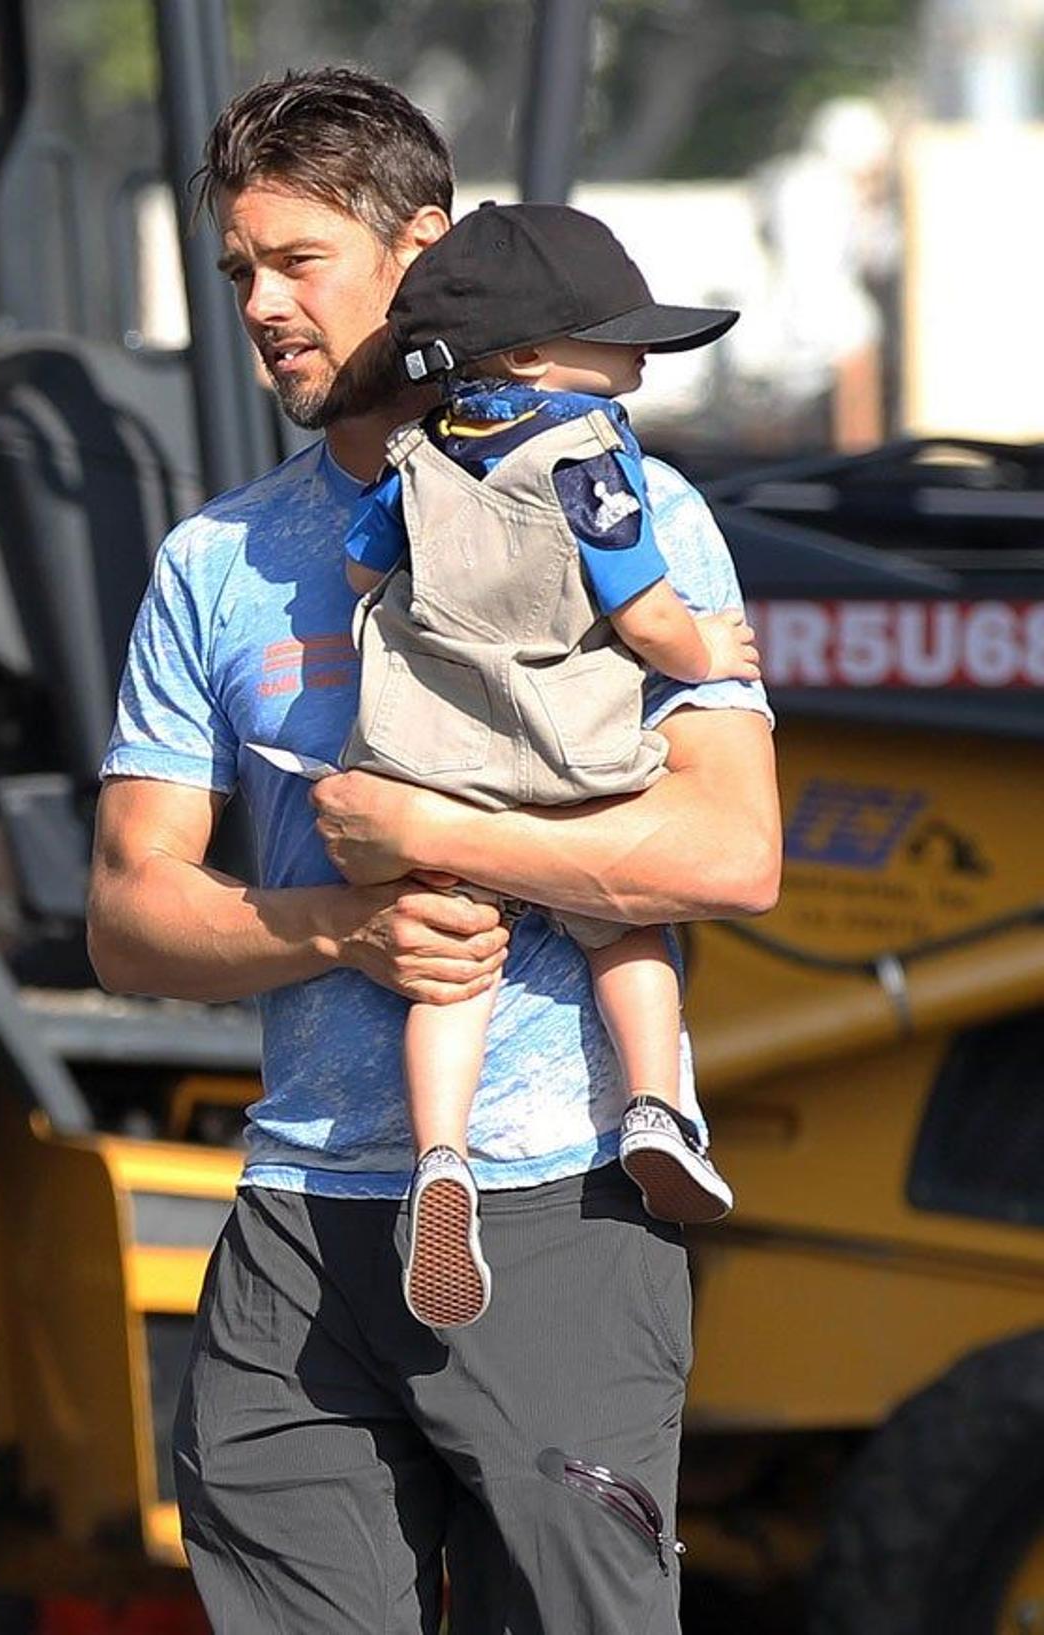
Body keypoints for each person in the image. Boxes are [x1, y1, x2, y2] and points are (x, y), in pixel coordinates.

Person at [87, 65, 780, 1635]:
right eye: (237, 272)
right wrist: (339, 928)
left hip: (564, 1213)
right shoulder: (216, 564)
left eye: (297, 261)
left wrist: (434, 833)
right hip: (294, 1232)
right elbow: (130, 917)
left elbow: (732, 852)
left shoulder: (640, 508)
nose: (262, 305)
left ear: (425, 246)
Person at [339, 201, 759, 1330]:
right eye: (617, 337)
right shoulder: (591, 452)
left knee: (452, 968)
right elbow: (642, 602)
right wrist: (707, 647)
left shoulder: (413, 455)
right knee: (626, 928)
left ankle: (439, 1158)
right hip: (570, 753)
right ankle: (658, 1107)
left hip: (431, 759)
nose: (636, 359)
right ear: (529, 355)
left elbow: (362, 574)